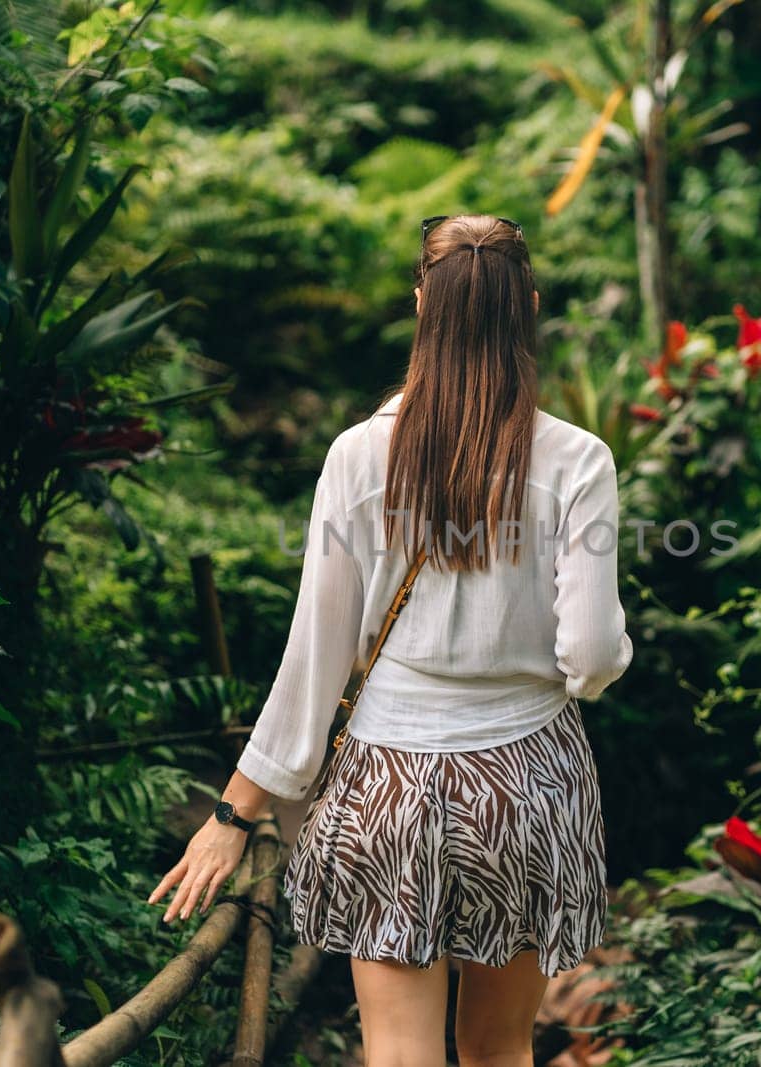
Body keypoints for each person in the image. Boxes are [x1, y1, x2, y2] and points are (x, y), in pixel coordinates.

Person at [148, 213, 633, 1066]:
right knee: (499, 1051)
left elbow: (315, 655)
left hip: (387, 788)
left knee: (400, 1054)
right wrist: (583, 674)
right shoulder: (580, 461)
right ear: (527, 305)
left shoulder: (358, 456)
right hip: (524, 787)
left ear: (421, 306)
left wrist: (235, 811)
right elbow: (591, 657)